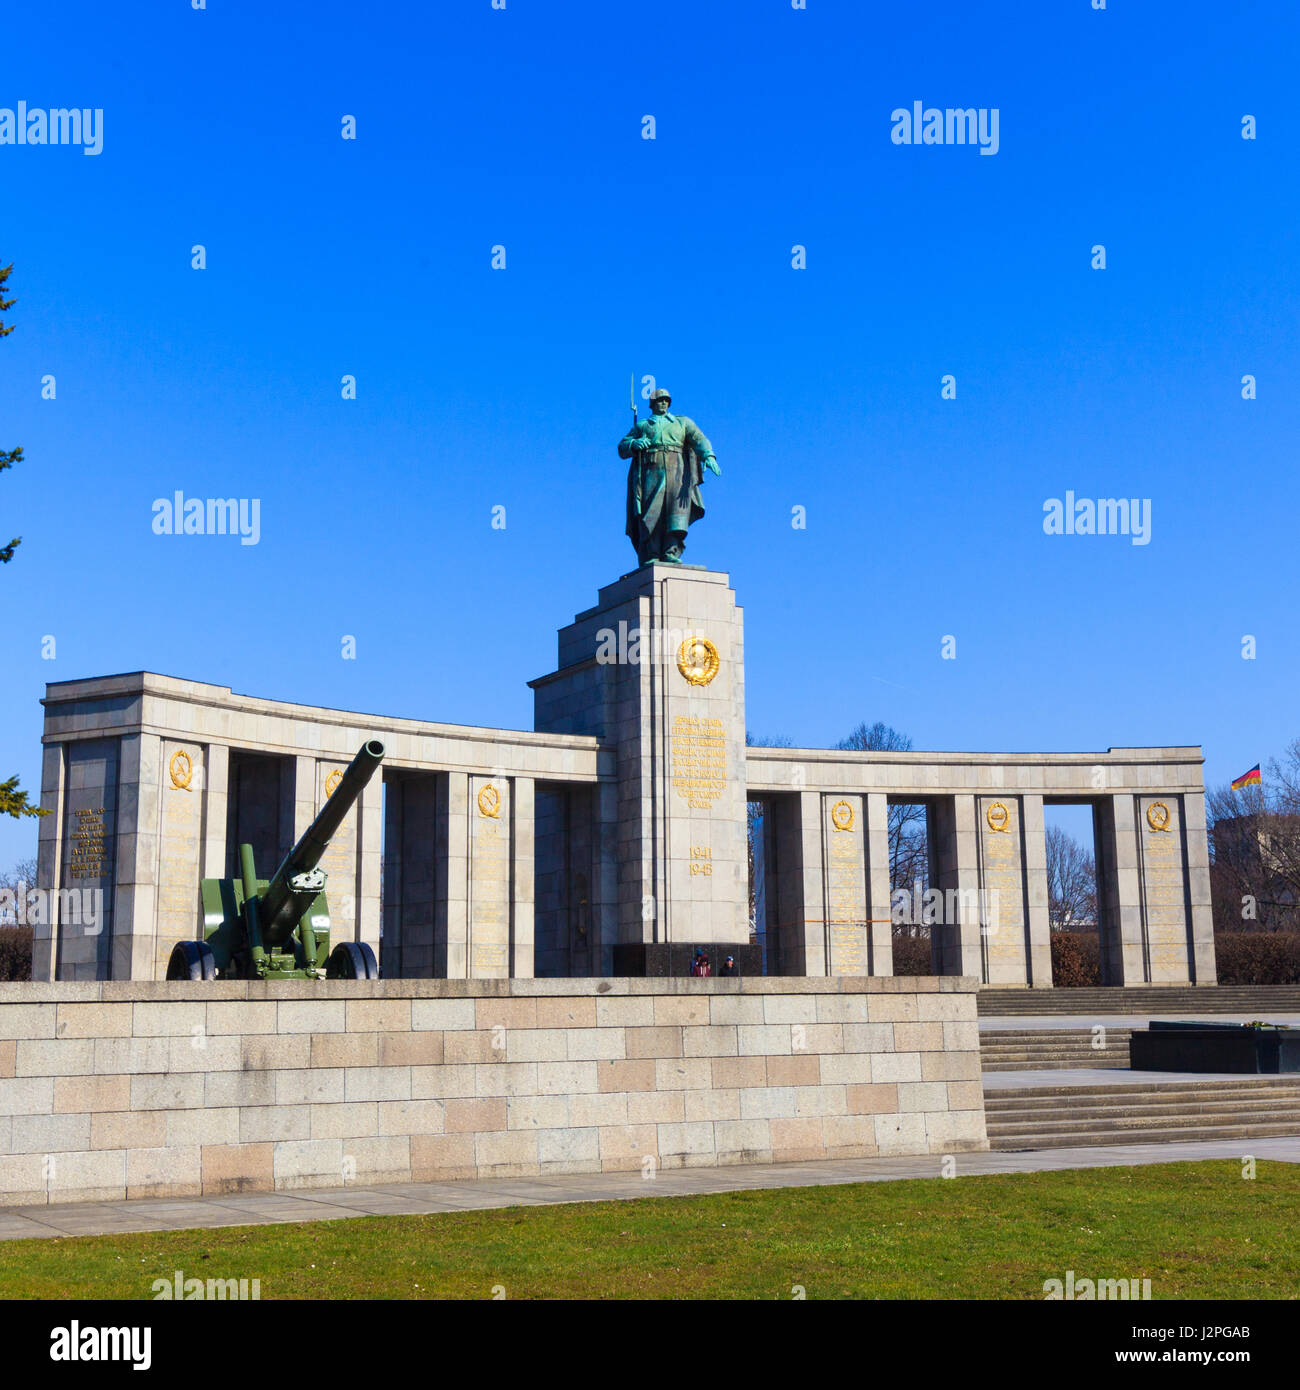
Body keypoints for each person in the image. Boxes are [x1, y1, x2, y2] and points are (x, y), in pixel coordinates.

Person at [618, 388, 719, 565]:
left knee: (677, 511)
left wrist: (708, 455)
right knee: (652, 512)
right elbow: (622, 447)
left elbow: (699, 438)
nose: (663, 403)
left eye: (666, 400)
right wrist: (635, 443)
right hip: (652, 470)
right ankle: (652, 553)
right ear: (652, 404)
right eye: (659, 400)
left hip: (678, 471)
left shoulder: (682, 422)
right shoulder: (643, 425)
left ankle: (671, 551)